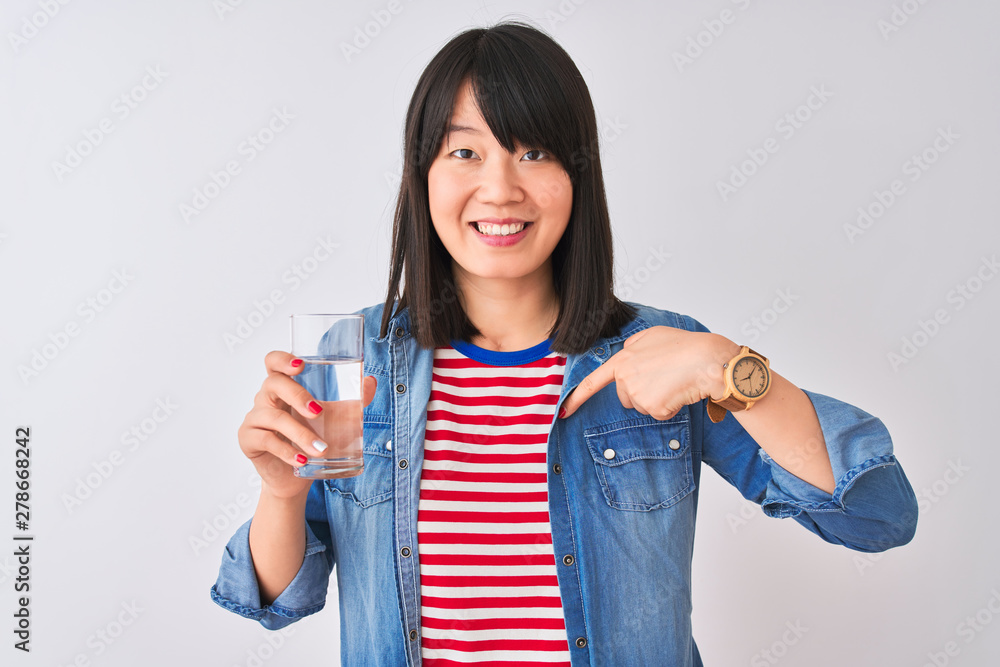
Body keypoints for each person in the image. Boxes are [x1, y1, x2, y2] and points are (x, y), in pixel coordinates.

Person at [211, 20, 918, 666]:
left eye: (534, 151)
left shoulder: (664, 354)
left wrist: (725, 364)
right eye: (465, 150)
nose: (500, 187)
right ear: (422, 173)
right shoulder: (354, 356)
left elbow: (878, 514)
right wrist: (280, 491)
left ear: (576, 177)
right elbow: (274, 598)